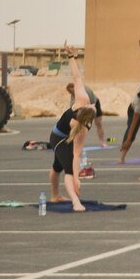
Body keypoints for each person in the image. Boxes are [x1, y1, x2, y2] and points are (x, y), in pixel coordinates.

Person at [48, 46, 96, 214]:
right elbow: (76, 155)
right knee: (68, 168)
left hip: (65, 135)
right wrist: (76, 178)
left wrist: (71, 57)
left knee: (56, 166)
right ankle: (76, 202)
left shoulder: (83, 98)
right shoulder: (80, 129)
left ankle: (55, 196)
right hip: (58, 137)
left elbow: (77, 77)